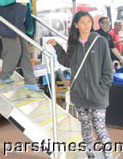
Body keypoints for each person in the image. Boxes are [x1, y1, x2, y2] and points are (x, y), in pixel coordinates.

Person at [47, 11, 113, 159]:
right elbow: (67, 62)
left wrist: (102, 89)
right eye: (82, 22)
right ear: (76, 25)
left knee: (100, 129)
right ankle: (90, 156)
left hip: (98, 96)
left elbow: (108, 70)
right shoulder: (74, 44)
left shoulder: (100, 41)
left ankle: (108, 156)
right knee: (86, 128)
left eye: (89, 22)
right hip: (79, 95)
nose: (86, 25)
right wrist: (57, 47)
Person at [0, 0, 41, 92]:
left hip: (20, 25)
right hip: (9, 24)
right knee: (15, 51)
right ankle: (4, 76)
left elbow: (26, 7)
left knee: (25, 53)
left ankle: (30, 82)